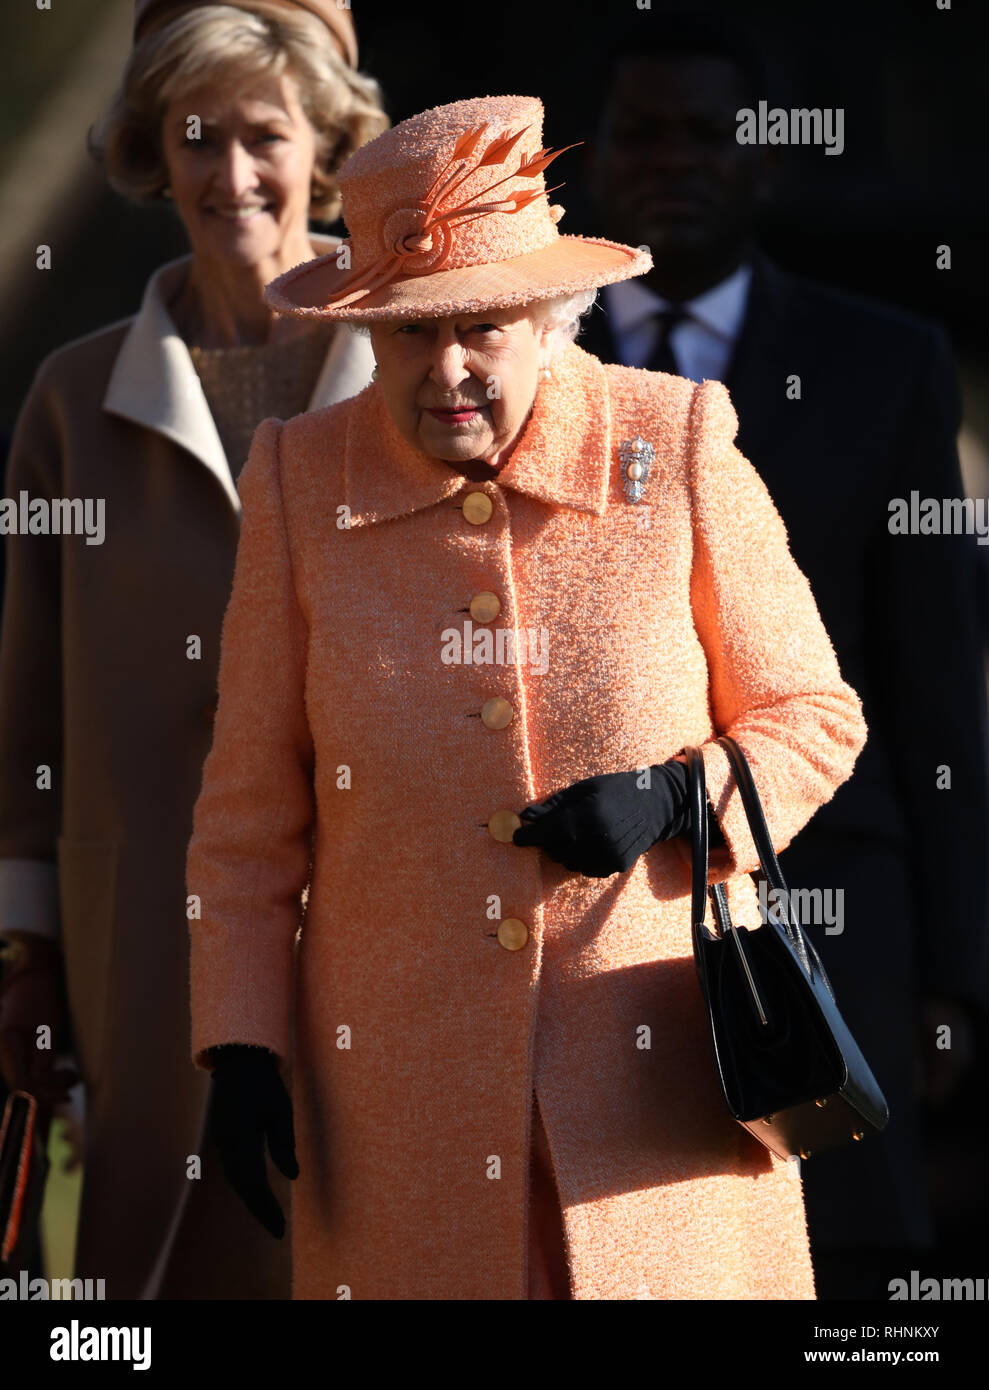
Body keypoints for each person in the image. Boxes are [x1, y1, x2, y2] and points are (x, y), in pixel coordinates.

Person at [186, 93, 869, 1300]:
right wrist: (240, 1043)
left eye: (483, 326)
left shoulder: (672, 443)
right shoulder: (301, 482)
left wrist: (676, 797)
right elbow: (247, 826)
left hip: (660, 1120)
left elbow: (811, 713)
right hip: (402, 1122)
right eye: (408, 333)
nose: (445, 369)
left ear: (553, 320)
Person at [579, 17, 989, 1299]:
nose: (672, 161)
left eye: (710, 133)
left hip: (834, 915)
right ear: (593, 161)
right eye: (640, 133)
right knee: (616, 1243)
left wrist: (954, 978)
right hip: (590, 914)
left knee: (846, 1267)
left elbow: (935, 692)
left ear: (765, 163)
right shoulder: (520, 362)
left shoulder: (885, 364)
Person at [0, 0, 387, 1300]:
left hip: (384, 928)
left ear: (328, 142)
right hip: (144, 947)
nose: (233, 177)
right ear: (152, 154)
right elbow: (27, 709)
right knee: (141, 1292)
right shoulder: (71, 398)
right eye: (195, 136)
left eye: (265, 135)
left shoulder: (429, 364)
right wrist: (28, 953)